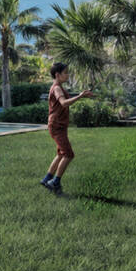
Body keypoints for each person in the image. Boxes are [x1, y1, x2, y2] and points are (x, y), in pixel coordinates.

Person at [41, 62, 92, 195]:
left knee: (61, 154)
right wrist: (80, 96)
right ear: (57, 75)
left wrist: (82, 95)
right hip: (57, 126)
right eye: (66, 72)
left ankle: (47, 179)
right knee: (69, 154)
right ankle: (55, 183)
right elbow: (63, 103)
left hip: (59, 125)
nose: (68, 75)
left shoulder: (59, 87)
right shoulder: (57, 88)